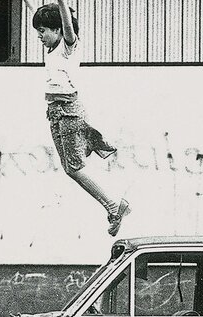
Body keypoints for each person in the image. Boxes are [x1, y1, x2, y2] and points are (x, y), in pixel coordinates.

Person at [30, 0, 130, 236]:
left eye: (42, 32)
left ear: (57, 30)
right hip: (55, 112)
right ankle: (114, 206)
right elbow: (35, 13)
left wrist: (62, 2)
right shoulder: (53, 50)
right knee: (70, 168)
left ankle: (114, 207)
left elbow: (66, 24)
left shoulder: (67, 46)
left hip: (68, 110)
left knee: (74, 168)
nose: (39, 37)